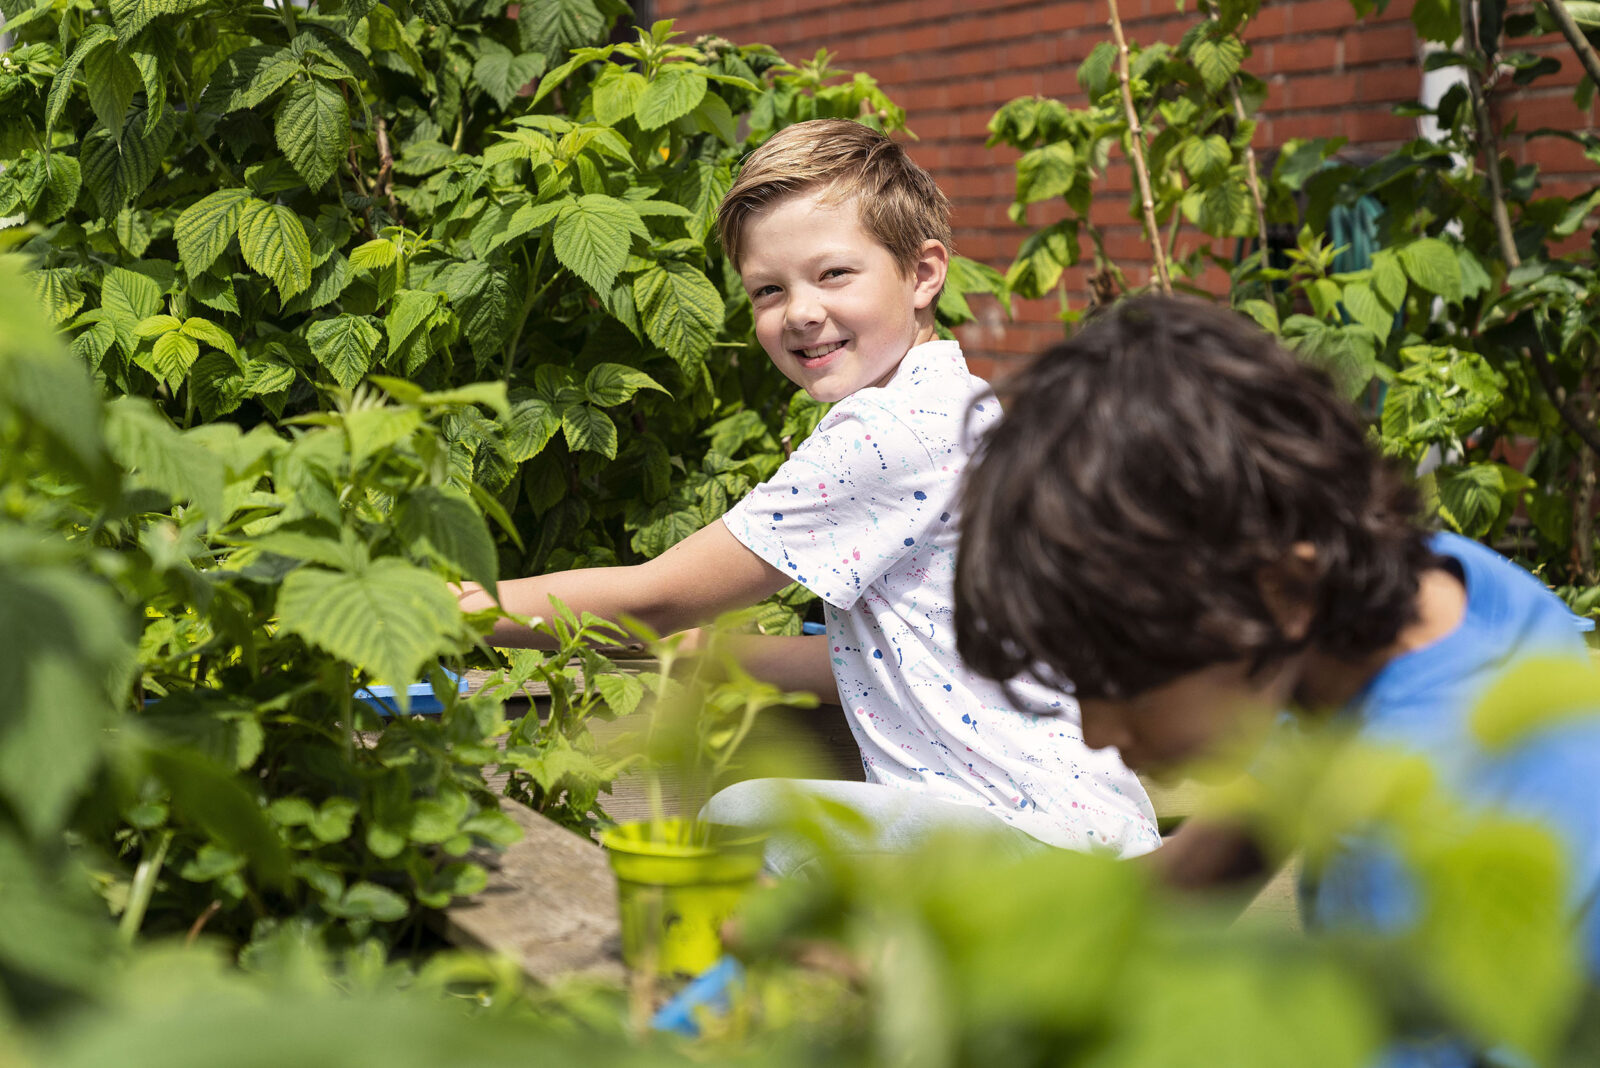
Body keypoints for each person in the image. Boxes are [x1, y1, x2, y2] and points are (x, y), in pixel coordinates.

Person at [459, 119, 1159, 868]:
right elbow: (906, 667)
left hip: (1026, 852)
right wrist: (717, 656)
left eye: (833, 275)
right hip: (1087, 834)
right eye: (768, 289)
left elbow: (652, 600)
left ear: (924, 274)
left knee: (744, 814)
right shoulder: (963, 406)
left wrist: (442, 609)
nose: (799, 311)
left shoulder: (886, 431)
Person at [953, 294, 1600, 971]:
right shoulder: (1422, 592)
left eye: (1123, 680)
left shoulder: (1430, 827)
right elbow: (1220, 850)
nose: (1097, 732)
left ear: (1285, 590)